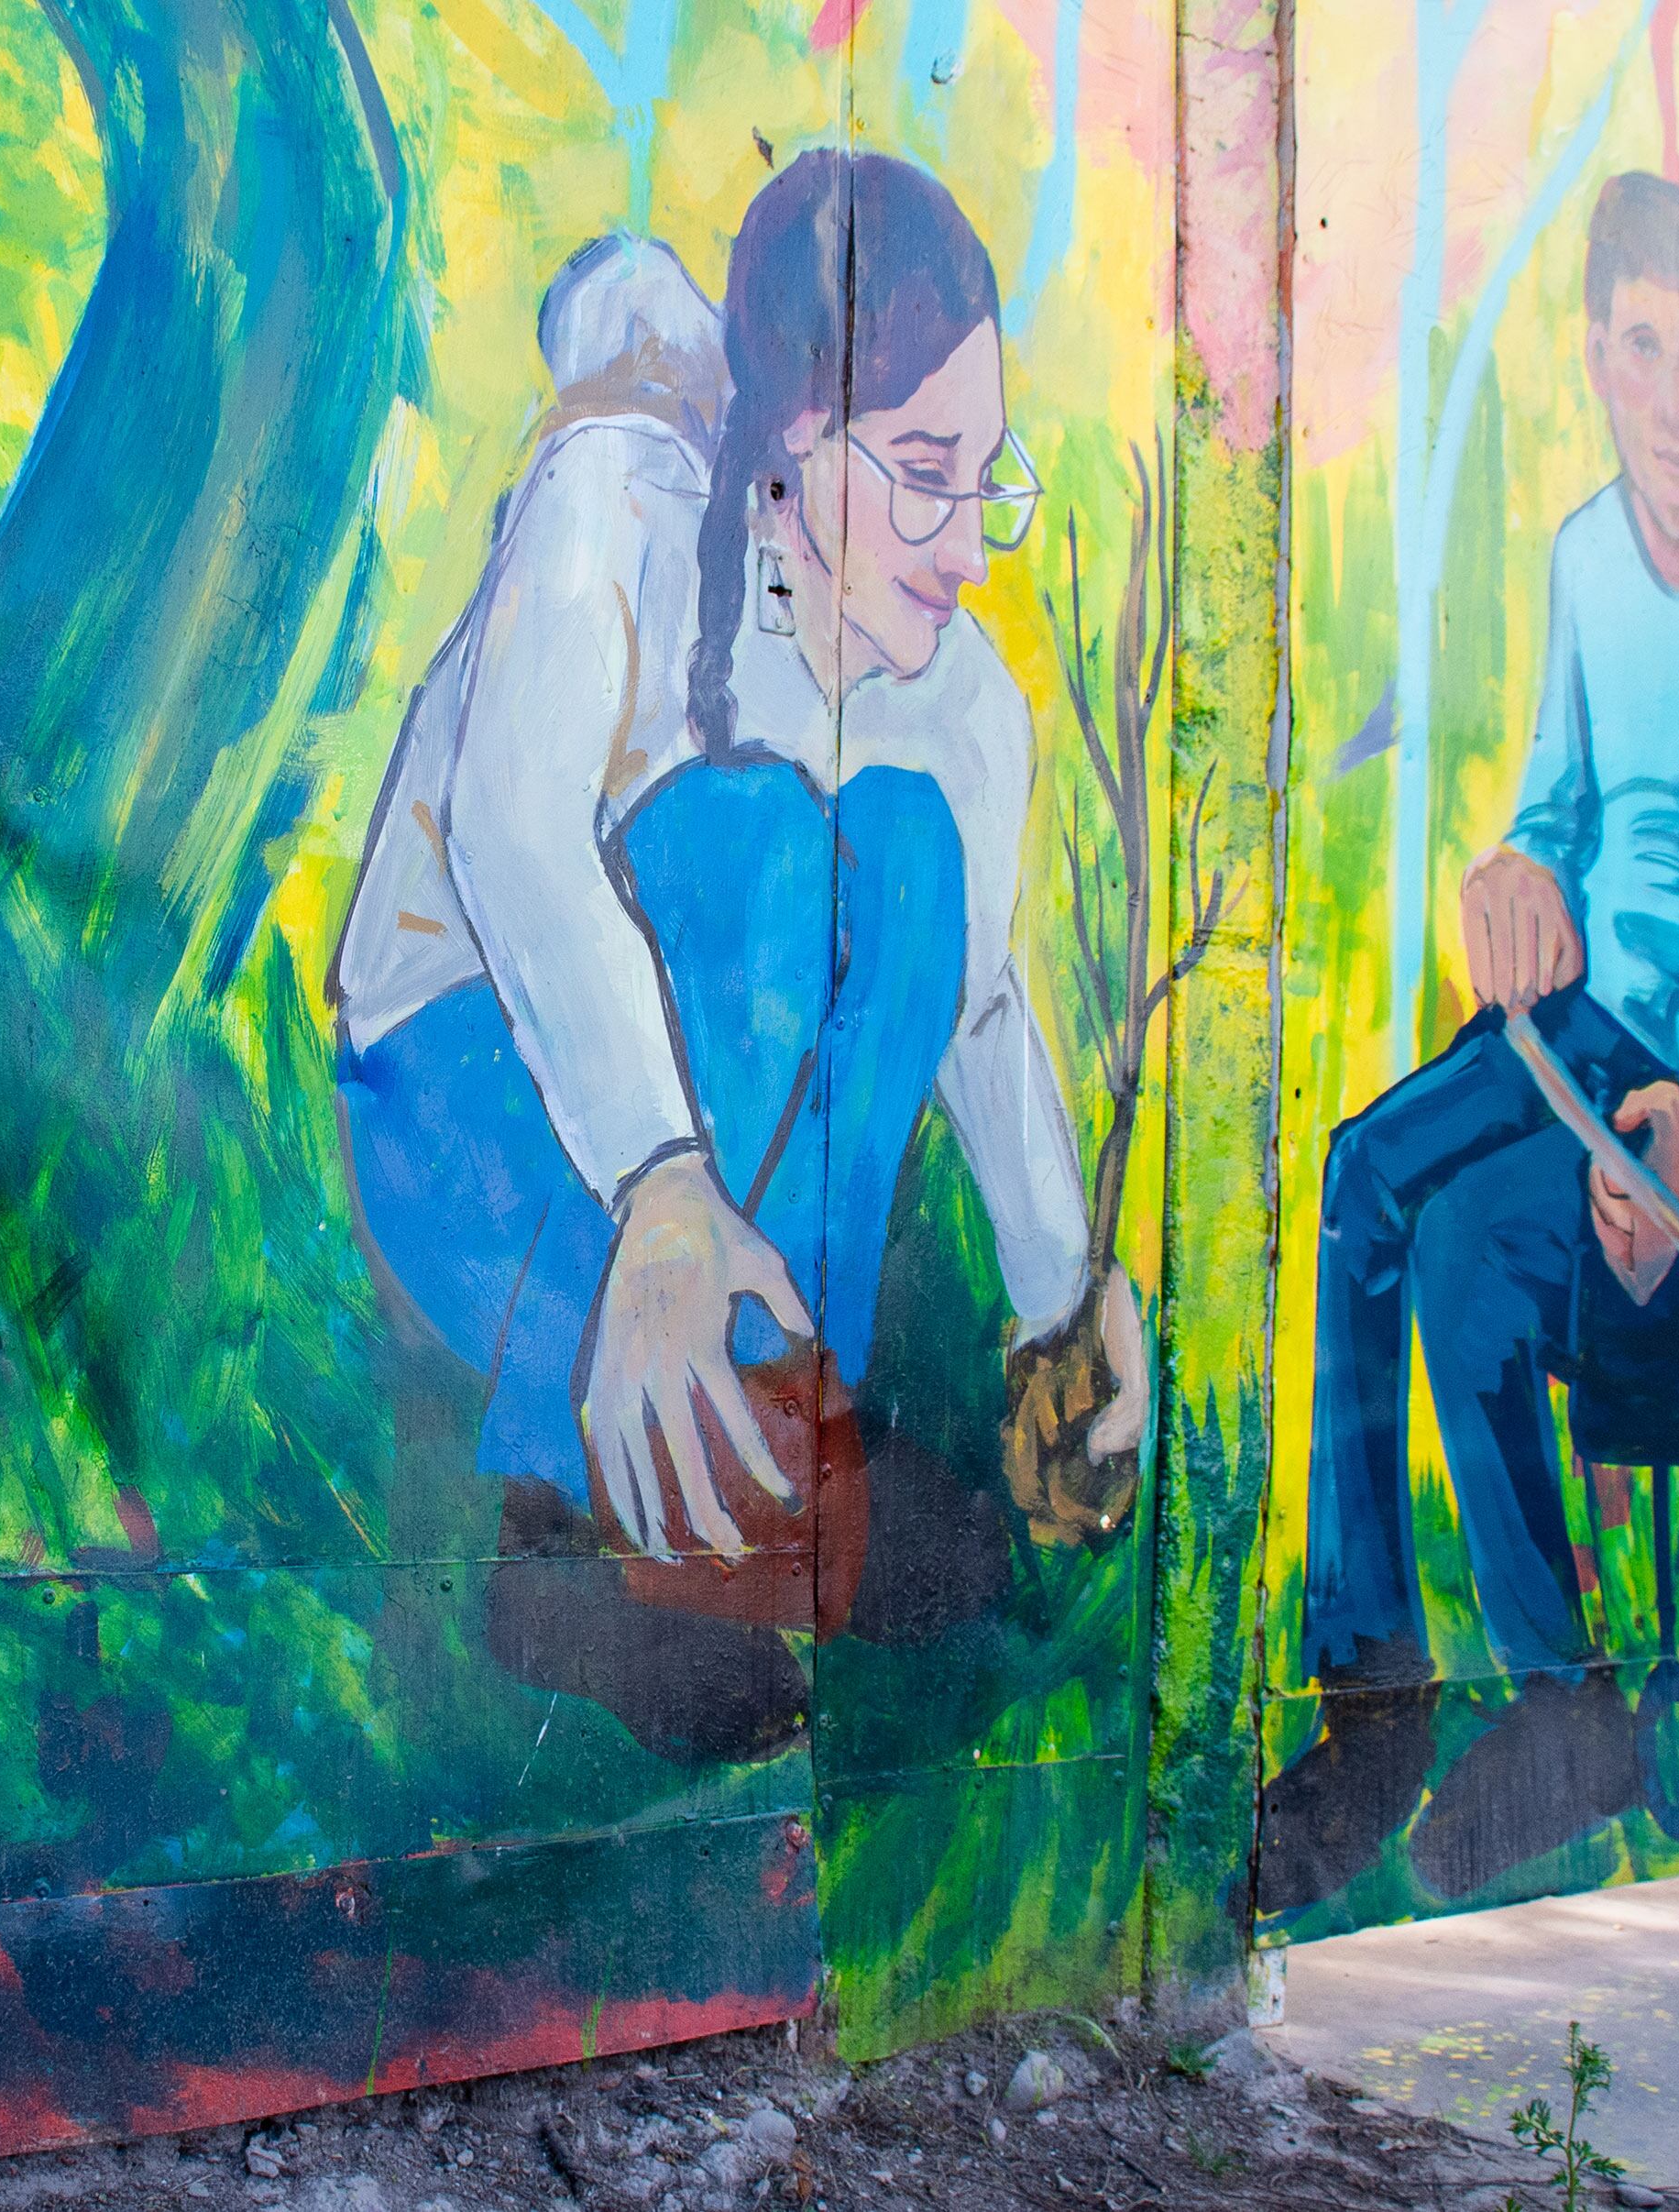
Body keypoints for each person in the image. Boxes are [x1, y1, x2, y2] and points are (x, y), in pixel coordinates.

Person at [331, 155, 1147, 1765]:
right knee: (758, 834)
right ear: (790, 435)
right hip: (471, 1089)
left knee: (906, 850)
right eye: (920, 471)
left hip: (687, 1164)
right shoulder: (620, 500)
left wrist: (1066, 1299)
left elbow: (981, 1006)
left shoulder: (964, 703)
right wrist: (658, 1186)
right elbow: (511, 840)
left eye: (985, 474)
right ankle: (558, 1531)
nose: (966, 540)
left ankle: (769, 1448)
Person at [1262, 173, 1679, 1905]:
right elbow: (1554, 807)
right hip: (1578, 1021)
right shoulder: (1582, 558)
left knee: (1462, 1237)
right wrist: (1514, 869)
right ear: (1599, 360)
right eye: (1641, 353)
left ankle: (1566, 1709)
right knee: (1366, 1175)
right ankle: (1372, 1689)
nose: (1669, 399)